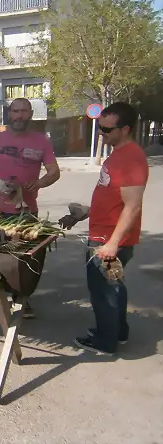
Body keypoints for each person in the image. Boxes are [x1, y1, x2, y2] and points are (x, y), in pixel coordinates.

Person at [59, 102, 148, 355]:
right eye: (99, 128)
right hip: (104, 235)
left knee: (104, 293)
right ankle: (118, 332)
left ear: (126, 129)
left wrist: (112, 244)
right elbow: (110, 198)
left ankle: (105, 342)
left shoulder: (131, 158)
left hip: (108, 241)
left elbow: (132, 206)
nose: (101, 133)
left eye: (107, 130)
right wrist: (83, 214)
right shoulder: (117, 154)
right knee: (114, 286)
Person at [0, 98, 61, 317]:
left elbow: (54, 172)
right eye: (15, 111)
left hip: (26, 213)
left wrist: (38, 183)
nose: (19, 115)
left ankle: (22, 299)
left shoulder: (41, 141)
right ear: (9, 113)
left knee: (24, 260)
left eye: (24, 111)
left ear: (30, 114)